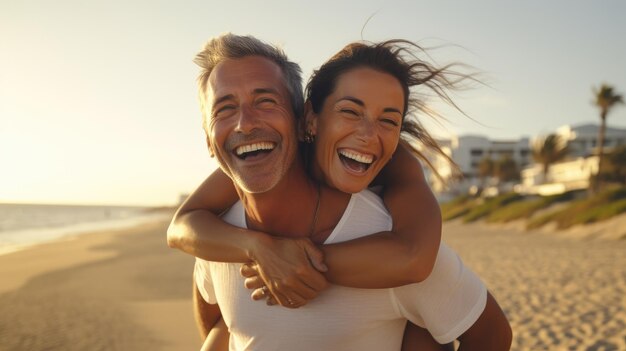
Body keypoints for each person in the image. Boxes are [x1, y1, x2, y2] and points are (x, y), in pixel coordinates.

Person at [168, 33, 512, 350]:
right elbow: (220, 326)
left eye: (266, 101)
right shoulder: (219, 234)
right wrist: (259, 248)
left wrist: (300, 264)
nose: (245, 122)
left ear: (300, 119)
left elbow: (490, 335)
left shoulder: (388, 238)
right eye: (225, 108)